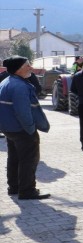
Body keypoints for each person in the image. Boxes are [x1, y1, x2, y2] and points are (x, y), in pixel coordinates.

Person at [0, 56, 51, 200]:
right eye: (27, 65)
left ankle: (14, 187)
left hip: (9, 129)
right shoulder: (20, 86)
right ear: (18, 69)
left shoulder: (6, 81)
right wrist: (30, 129)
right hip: (21, 130)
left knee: (14, 158)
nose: (31, 68)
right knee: (28, 160)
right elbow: (23, 112)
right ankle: (27, 191)